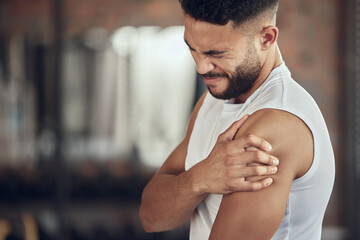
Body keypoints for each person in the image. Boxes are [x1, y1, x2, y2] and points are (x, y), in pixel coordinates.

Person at [139, 0, 335, 239]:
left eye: (216, 53)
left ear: (266, 38)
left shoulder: (275, 126)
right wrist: (200, 178)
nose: (201, 67)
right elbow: (151, 216)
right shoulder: (212, 102)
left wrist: (195, 182)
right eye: (192, 48)